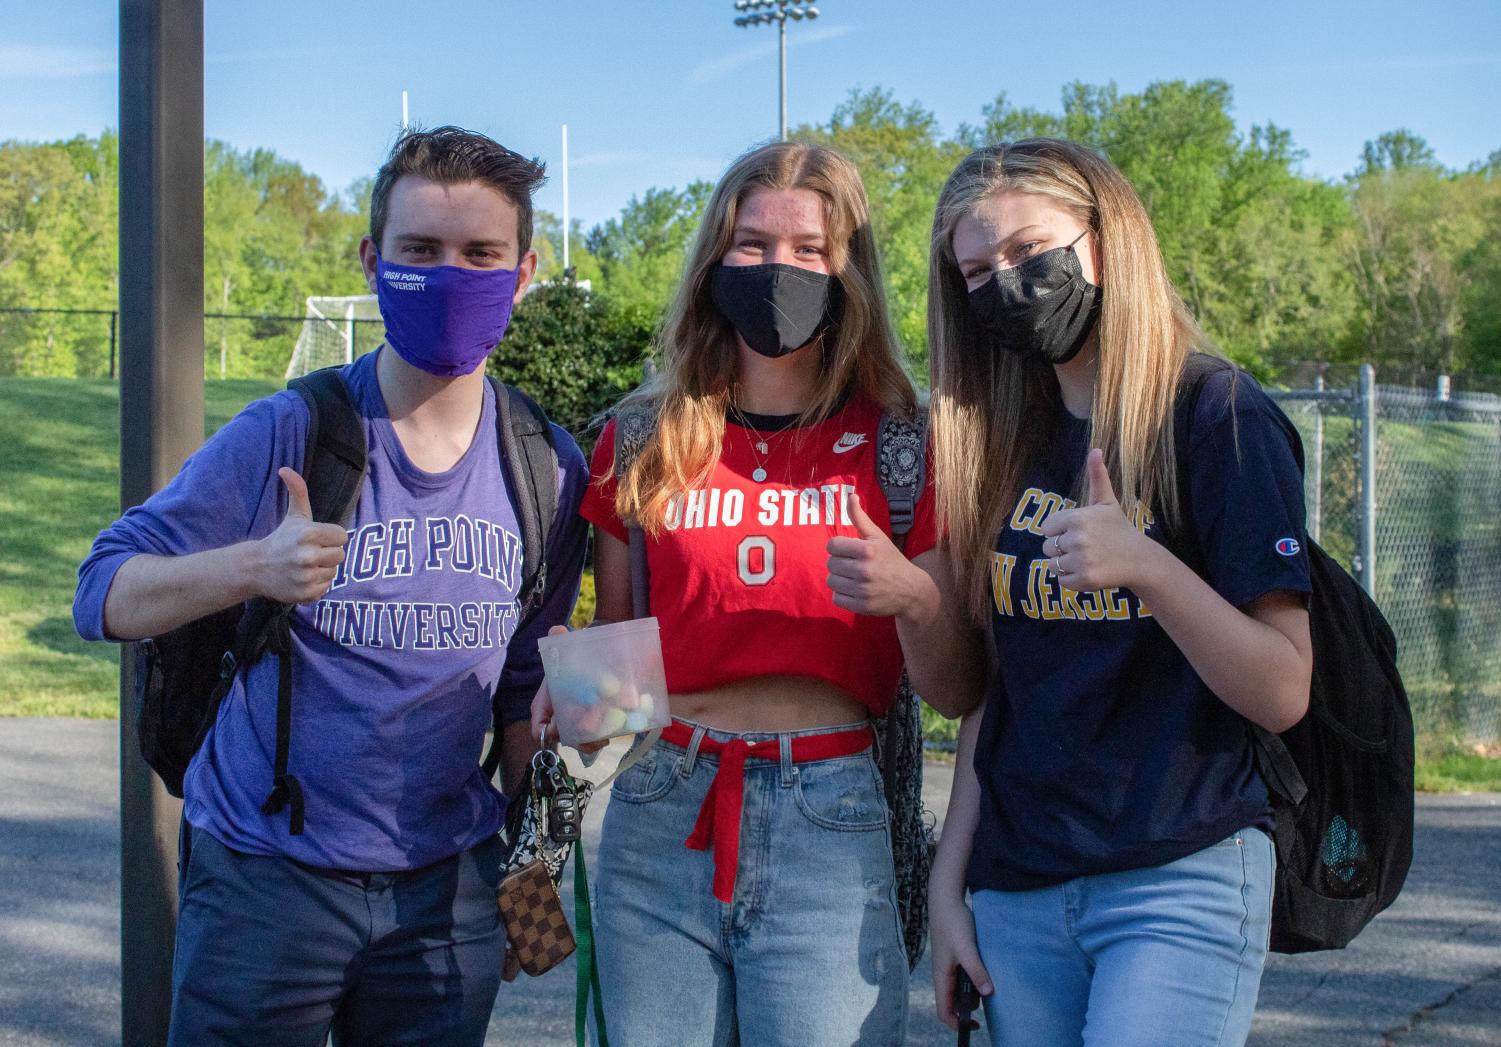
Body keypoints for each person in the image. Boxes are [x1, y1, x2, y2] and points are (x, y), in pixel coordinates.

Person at [73, 126, 589, 1047]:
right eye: (419, 251)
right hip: (265, 884)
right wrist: (252, 567)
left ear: (522, 273)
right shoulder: (293, 429)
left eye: (480, 255)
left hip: (447, 892)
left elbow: (526, 693)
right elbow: (102, 589)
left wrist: (531, 888)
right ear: (371, 260)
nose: (449, 275)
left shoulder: (546, 465)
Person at [532, 140, 981, 1046]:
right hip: (661, 809)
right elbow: (621, 657)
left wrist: (915, 599)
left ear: (848, 269)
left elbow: (956, 689)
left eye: (809, 249)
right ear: (713, 262)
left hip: (830, 812)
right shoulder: (640, 434)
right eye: (751, 245)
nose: (779, 268)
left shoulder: (907, 444)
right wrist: (573, 701)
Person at [924, 139, 1314, 1047]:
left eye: (1029, 251)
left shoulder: (1216, 415)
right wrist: (950, 885)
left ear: (1105, 240)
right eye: (978, 271)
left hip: (1178, 873)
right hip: (1019, 886)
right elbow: (996, 694)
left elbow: (1282, 686)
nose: (1005, 286)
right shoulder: (1002, 440)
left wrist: (1147, 566)